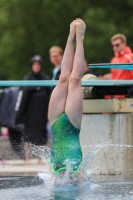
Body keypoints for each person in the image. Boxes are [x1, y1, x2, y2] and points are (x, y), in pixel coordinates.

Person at [48, 18, 86, 176]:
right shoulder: (79, 173)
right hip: (72, 126)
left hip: (56, 124)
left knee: (64, 78)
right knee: (74, 79)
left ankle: (72, 38)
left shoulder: (54, 173)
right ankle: (79, 39)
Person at [15, 55, 50, 164]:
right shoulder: (27, 79)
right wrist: (19, 115)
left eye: (38, 64)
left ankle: (40, 159)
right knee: (27, 137)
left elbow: (50, 96)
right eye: (34, 65)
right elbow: (21, 97)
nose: (36, 67)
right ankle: (28, 159)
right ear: (31, 66)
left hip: (41, 113)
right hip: (29, 114)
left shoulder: (45, 79)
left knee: (41, 135)